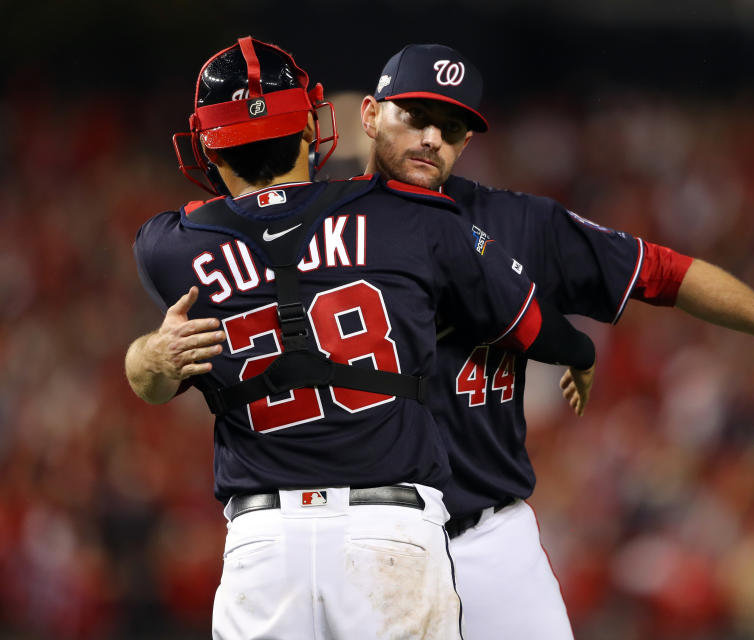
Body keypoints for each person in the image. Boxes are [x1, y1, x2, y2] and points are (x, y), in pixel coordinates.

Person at [353, 44, 754, 639]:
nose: (431, 140)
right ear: (371, 115)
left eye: (451, 128)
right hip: (363, 538)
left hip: (489, 538)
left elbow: (664, 272)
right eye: (414, 118)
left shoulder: (519, 224)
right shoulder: (315, 227)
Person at [125, 36, 597, 640]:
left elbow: (151, 379)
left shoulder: (168, 248)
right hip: (389, 533)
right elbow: (528, 321)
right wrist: (578, 352)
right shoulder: (407, 214)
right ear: (311, 128)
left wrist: (148, 355)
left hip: (263, 547)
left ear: (206, 144)